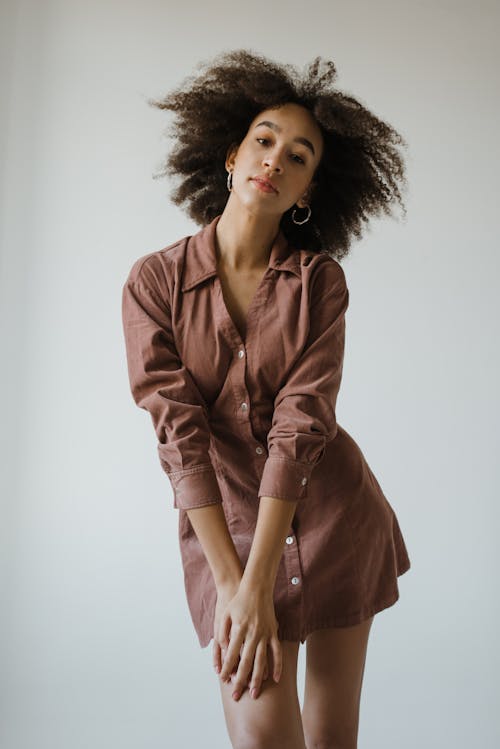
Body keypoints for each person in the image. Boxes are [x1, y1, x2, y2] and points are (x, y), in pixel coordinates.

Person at [121, 49, 411, 749]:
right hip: (229, 532)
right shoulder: (153, 285)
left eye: (299, 155)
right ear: (230, 154)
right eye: (264, 140)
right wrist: (236, 585)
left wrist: (256, 583)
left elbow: (301, 424)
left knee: (332, 741)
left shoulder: (321, 285)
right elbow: (180, 438)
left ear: (308, 191)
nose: (276, 159)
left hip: (336, 520)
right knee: (263, 740)